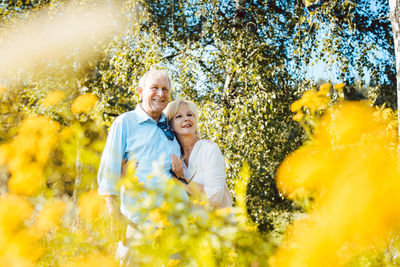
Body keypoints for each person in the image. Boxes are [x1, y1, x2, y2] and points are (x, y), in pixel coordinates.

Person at [97, 69, 182, 231]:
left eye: (165, 89)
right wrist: (115, 215)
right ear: (141, 92)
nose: (160, 93)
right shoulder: (125, 123)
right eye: (154, 88)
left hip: (172, 224)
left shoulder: (171, 126)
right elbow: (109, 174)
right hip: (137, 223)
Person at [165, 100, 232, 209]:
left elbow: (214, 198)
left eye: (189, 114)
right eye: (179, 116)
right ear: (170, 125)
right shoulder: (172, 155)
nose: (186, 118)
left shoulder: (210, 149)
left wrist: (181, 179)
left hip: (217, 224)